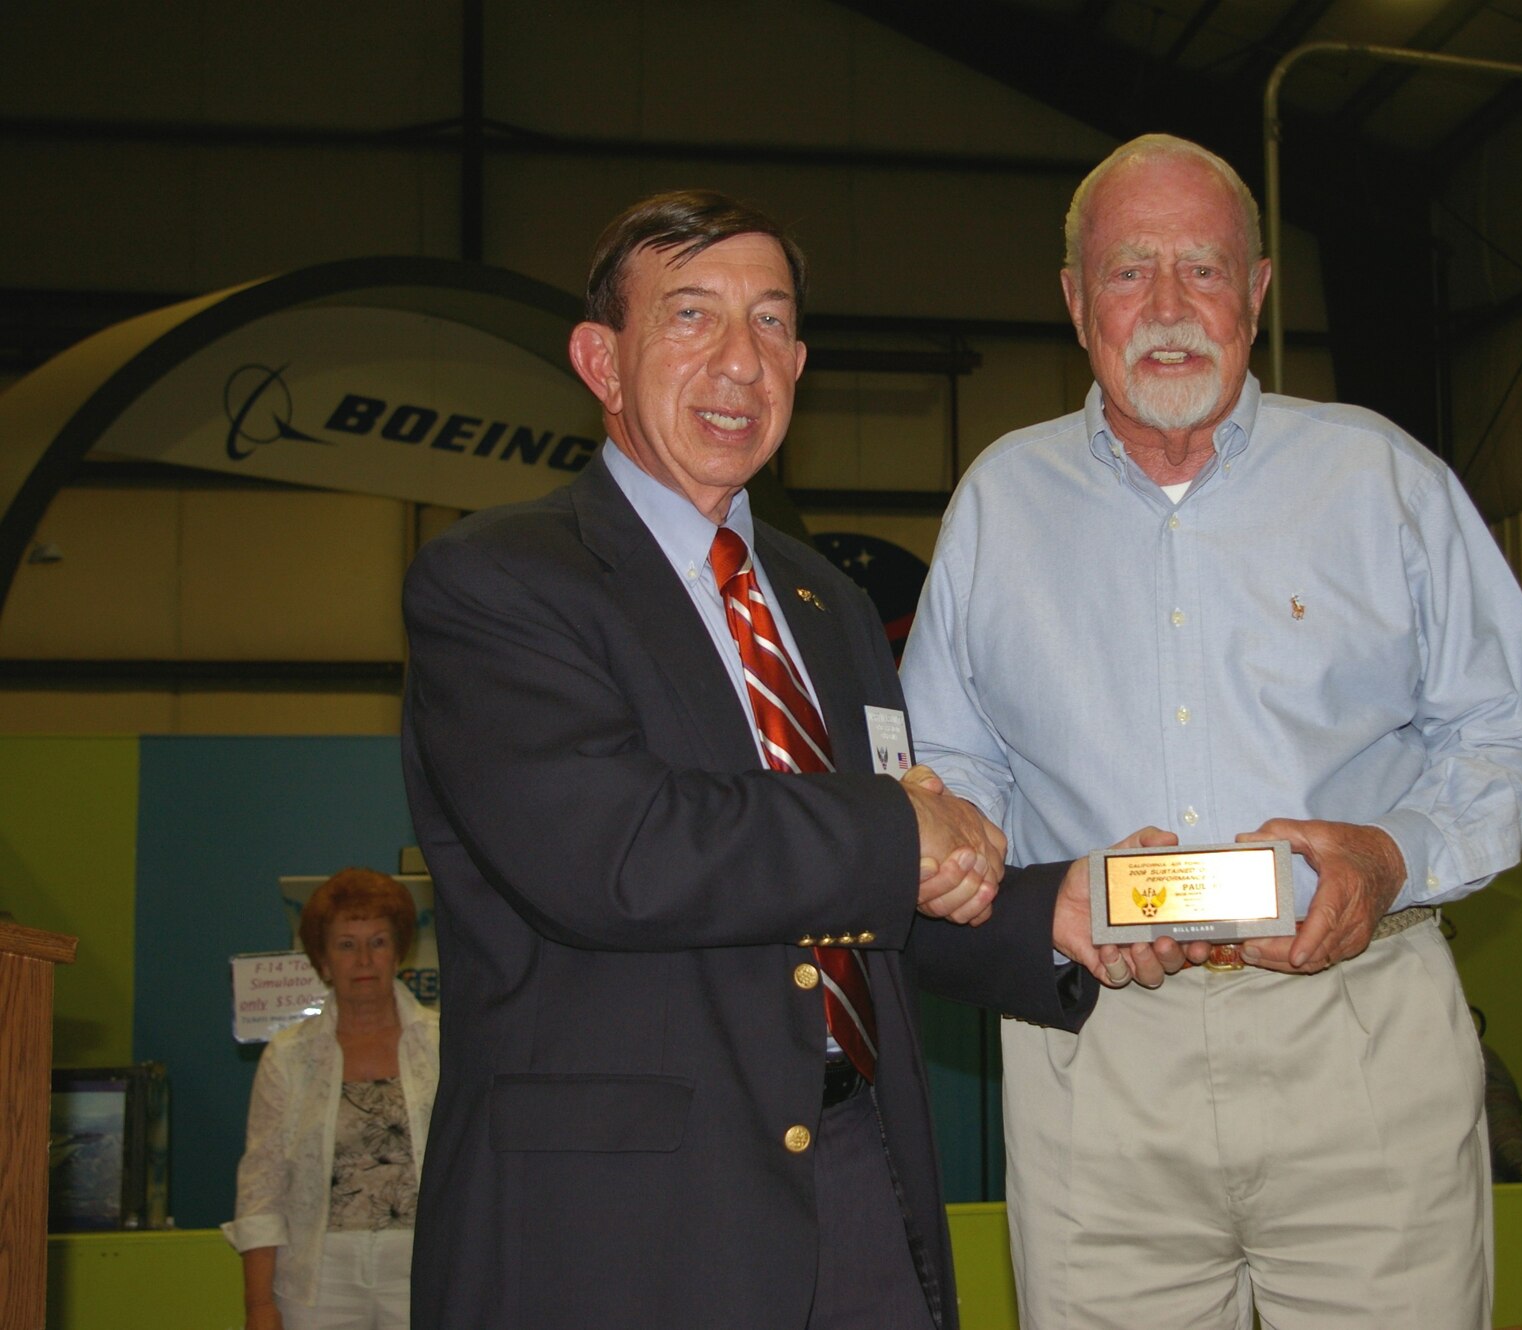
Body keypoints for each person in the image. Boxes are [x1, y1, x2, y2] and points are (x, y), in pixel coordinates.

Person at [400, 189, 1157, 1330]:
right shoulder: (499, 582)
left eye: (768, 323)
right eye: (692, 316)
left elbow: (866, 890)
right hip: (614, 1222)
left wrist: (1048, 912)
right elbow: (620, 852)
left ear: (800, 362)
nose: (738, 360)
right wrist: (907, 831)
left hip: (857, 1175)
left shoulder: (829, 604)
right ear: (600, 360)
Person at [898, 134, 1522, 1329]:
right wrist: (1032, 895)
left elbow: (1508, 736)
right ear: (1071, 300)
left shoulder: (1383, 481)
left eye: (1203, 269)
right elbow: (949, 774)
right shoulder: (998, 505)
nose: (1166, 308)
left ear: (1257, 291)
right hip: (1097, 1055)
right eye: (1127, 272)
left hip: (1361, 1037)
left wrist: (1392, 854)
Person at [224, 868, 438, 1330]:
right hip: (317, 1279)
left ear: (399, 952)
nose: (364, 959)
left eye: (378, 942)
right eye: (346, 944)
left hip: (423, 1268)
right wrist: (259, 1306)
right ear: (322, 961)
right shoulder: (288, 1057)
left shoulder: (445, 1046)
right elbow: (261, 1186)